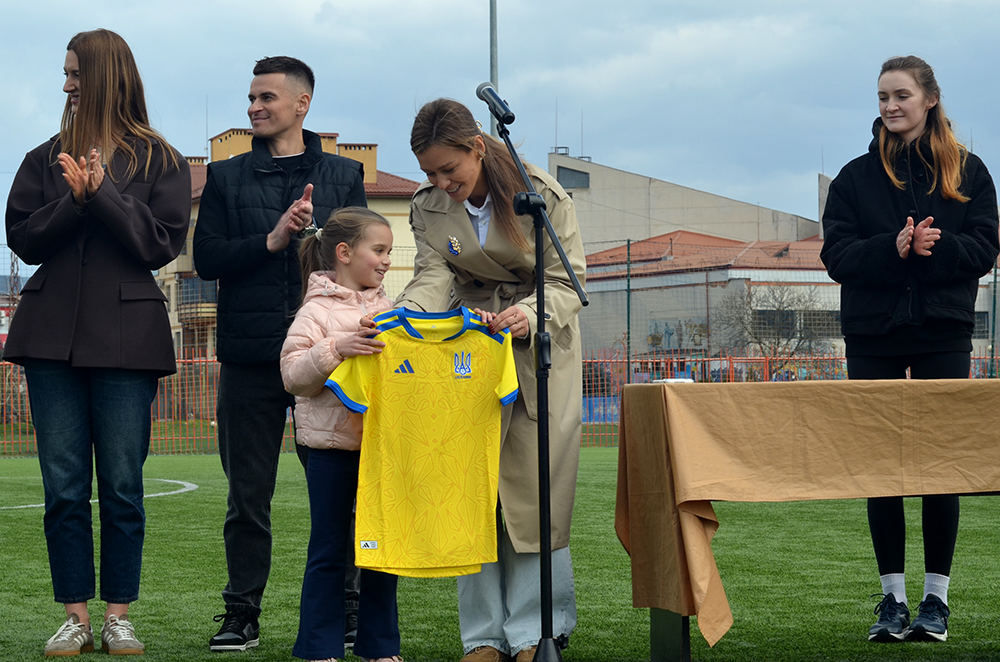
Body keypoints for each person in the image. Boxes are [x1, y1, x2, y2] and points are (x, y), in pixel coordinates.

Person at [4, 28, 190, 657]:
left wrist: (102, 193)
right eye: (64, 73)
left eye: (75, 73)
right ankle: (75, 618)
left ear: (106, 75)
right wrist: (76, 203)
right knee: (62, 488)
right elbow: (24, 239)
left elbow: (157, 244)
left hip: (127, 343)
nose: (66, 85)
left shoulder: (162, 161)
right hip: (48, 340)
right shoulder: (42, 158)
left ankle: (118, 617)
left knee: (122, 486)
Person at [395, 98, 586, 662]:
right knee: (472, 491)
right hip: (470, 346)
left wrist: (527, 315)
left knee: (532, 493)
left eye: (448, 169)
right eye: (429, 172)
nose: (440, 182)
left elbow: (568, 281)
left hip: (538, 342)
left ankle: (537, 632)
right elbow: (432, 275)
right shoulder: (427, 206)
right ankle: (482, 635)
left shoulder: (541, 195)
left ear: (478, 147)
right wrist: (403, 317)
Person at [821, 55, 999, 644]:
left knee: (939, 465)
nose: (891, 106)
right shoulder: (854, 177)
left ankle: (935, 601)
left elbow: (985, 247)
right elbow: (836, 256)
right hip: (872, 334)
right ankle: (892, 600)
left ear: (929, 99)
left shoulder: (969, 171)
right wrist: (891, 248)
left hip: (943, 331)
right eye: (883, 97)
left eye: (901, 95)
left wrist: (934, 247)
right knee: (882, 466)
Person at [193, 56, 367, 652]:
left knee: (341, 493)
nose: (254, 107)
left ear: (302, 103)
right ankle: (240, 613)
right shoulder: (225, 177)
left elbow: (364, 257)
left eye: (266, 97)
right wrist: (271, 239)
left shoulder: (344, 175)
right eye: (251, 98)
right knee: (247, 496)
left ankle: (349, 607)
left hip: (330, 359)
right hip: (250, 357)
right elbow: (207, 258)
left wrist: (318, 242)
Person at [279, 207, 401, 662]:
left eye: (389, 251)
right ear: (345, 253)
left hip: (381, 450)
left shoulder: (391, 310)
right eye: (379, 250)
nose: (387, 260)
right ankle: (318, 646)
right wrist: (337, 348)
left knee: (380, 549)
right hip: (329, 450)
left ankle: (379, 646)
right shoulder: (314, 311)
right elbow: (293, 376)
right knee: (329, 548)